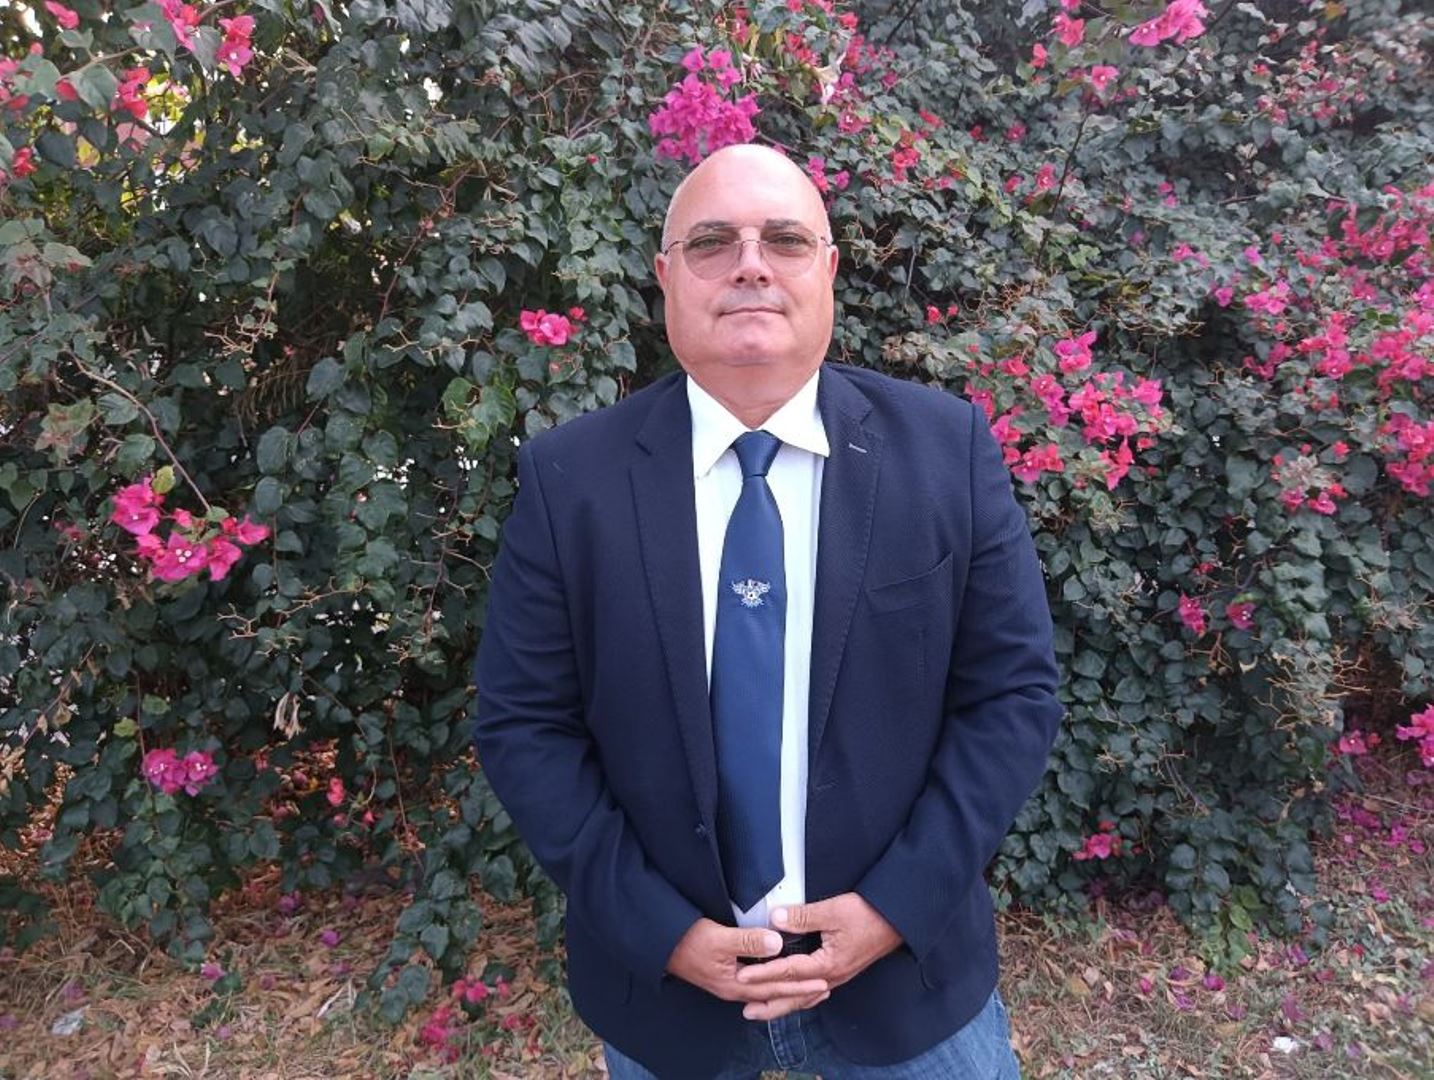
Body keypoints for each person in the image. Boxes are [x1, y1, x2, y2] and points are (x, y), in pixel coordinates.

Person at [472, 143, 1063, 1079]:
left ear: (829, 269)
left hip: (906, 982)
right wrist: (661, 932)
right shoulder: (569, 480)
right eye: (713, 242)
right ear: (666, 277)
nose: (751, 263)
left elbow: (1013, 698)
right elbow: (524, 726)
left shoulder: (945, 451)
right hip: (669, 995)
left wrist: (893, 910)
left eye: (784, 239)